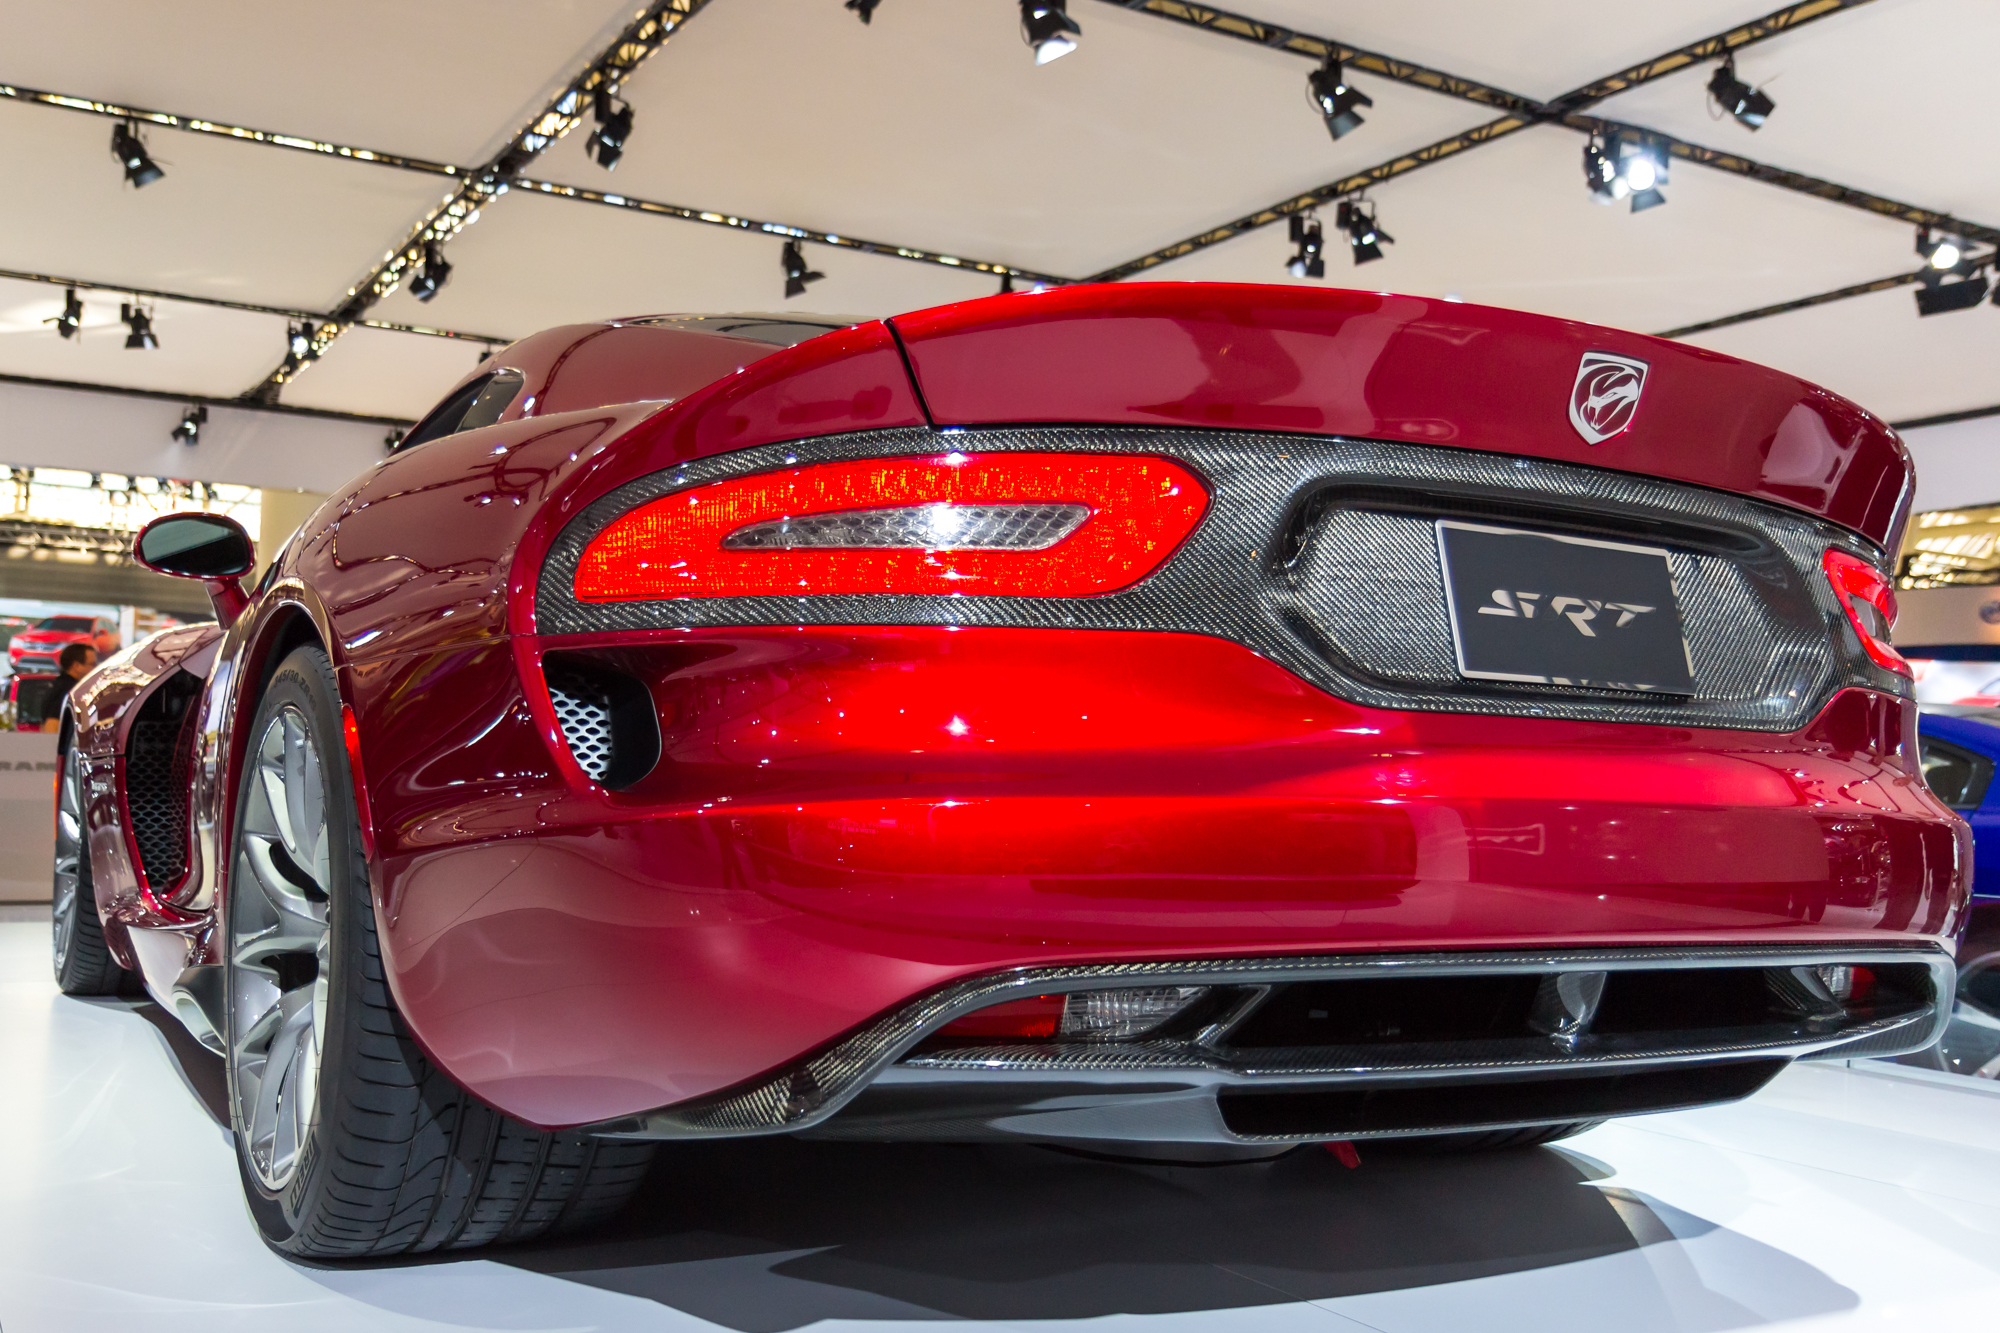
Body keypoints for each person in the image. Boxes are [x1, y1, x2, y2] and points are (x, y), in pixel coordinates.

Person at [42, 642, 97, 733]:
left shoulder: (58, 687)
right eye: (92, 664)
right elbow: (52, 725)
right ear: (76, 666)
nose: (95, 669)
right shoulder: (68, 691)